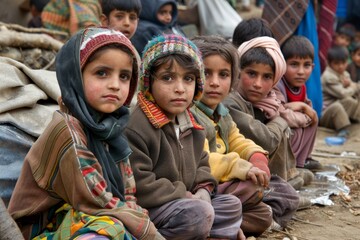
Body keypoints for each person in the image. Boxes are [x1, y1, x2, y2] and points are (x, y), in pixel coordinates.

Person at [7, 27, 163, 240]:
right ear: (75, 77)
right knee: (110, 231)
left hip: (86, 216)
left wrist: (138, 221)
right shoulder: (66, 129)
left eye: (124, 76)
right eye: (102, 73)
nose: (115, 85)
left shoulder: (111, 128)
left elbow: (128, 193)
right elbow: (96, 199)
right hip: (43, 227)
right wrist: (147, 231)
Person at [125, 34, 245, 240]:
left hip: (187, 203)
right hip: (151, 209)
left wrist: (204, 191)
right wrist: (185, 195)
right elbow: (140, 184)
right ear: (148, 82)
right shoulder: (137, 126)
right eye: (167, 78)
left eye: (188, 79)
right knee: (198, 214)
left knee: (232, 205)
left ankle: (201, 231)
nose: (180, 88)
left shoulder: (192, 123)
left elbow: (202, 165)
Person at [190, 35, 299, 236]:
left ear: (233, 78)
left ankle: (234, 221)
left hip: (227, 184)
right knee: (251, 188)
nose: (214, 83)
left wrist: (256, 158)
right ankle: (228, 221)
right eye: (206, 73)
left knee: (282, 194)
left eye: (223, 75)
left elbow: (238, 140)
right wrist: (243, 167)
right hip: (205, 185)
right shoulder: (190, 115)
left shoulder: (220, 112)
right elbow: (201, 160)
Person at [227, 28, 302, 189]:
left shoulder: (266, 103)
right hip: (240, 171)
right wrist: (281, 120)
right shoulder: (231, 102)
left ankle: (287, 179)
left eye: (267, 77)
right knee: (277, 131)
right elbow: (267, 140)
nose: (258, 84)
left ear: (275, 80)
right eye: (252, 74)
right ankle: (279, 187)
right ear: (238, 73)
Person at [277, 35, 321, 170]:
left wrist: (303, 109)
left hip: (295, 119)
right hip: (281, 128)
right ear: (283, 64)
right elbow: (279, 112)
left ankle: (303, 159)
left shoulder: (301, 86)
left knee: (313, 120)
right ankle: (288, 164)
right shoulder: (279, 84)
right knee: (296, 129)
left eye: (306, 65)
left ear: (313, 67)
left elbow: (308, 109)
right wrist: (304, 109)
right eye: (294, 64)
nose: (301, 72)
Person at [320, 45, 360, 137]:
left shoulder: (344, 73)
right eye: (336, 63)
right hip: (326, 112)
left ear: (347, 62)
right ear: (329, 63)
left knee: (351, 100)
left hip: (337, 108)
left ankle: (353, 119)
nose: (341, 66)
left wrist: (353, 86)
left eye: (343, 63)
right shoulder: (328, 76)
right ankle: (343, 130)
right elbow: (343, 93)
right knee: (337, 106)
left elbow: (352, 88)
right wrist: (354, 87)